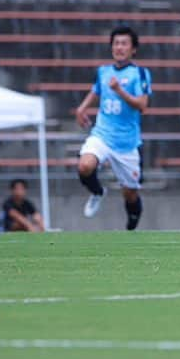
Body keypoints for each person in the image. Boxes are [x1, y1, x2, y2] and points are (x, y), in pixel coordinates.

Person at [73, 26, 152, 230]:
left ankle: (131, 227)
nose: (119, 47)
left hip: (127, 143)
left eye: (124, 43)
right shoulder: (103, 71)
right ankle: (97, 192)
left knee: (130, 194)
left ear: (133, 49)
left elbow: (142, 105)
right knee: (84, 166)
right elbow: (96, 91)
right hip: (102, 134)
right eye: (116, 43)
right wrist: (82, 108)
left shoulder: (140, 73)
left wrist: (119, 91)